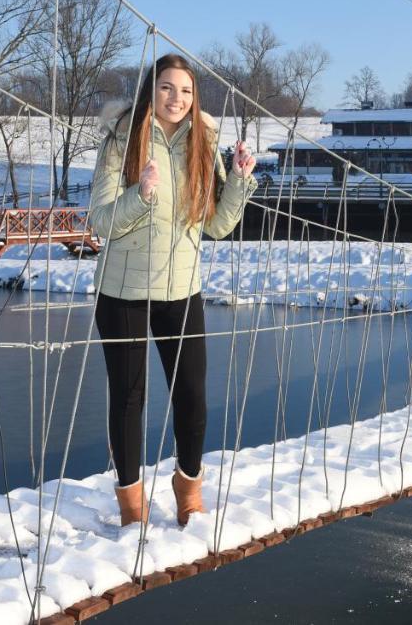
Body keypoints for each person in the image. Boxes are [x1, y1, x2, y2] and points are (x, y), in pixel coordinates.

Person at [87, 53, 257, 527]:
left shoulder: (203, 143)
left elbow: (218, 226)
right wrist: (139, 196)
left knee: (192, 397)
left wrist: (240, 180)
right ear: (151, 89)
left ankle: (188, 486)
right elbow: (99, 222)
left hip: (182, 289)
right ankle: (131, 502)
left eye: (185, 91)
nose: (176, 99)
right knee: (128, 398)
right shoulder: (122, 140)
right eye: (167, 88)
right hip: (123, 291)